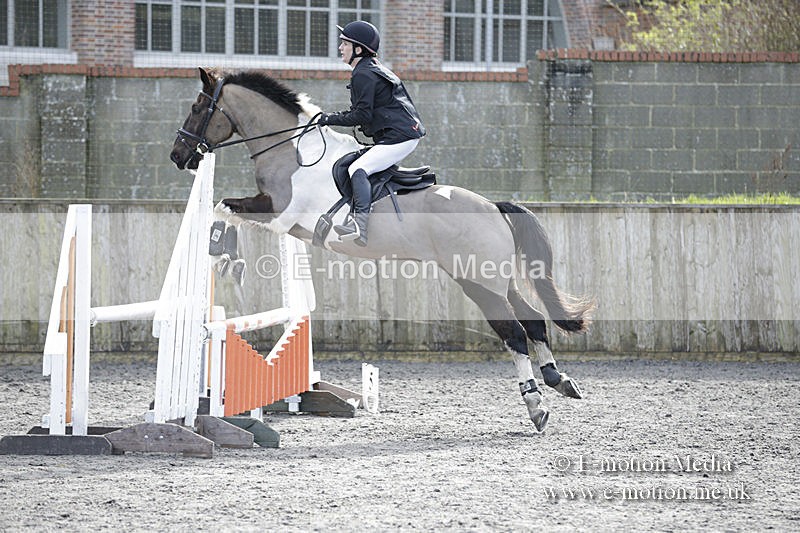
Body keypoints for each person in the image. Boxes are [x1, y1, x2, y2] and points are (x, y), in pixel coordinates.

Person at [318, 20, 426, 247]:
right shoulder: (369, 68)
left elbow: (361, 115)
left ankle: (359, 226)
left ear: (358, 49)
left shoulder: (364, 74)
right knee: (346, 165)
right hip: (400, 135)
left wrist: (328, 119)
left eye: (344, 44)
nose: (340, 48)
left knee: (358, 168)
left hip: (400, 137)